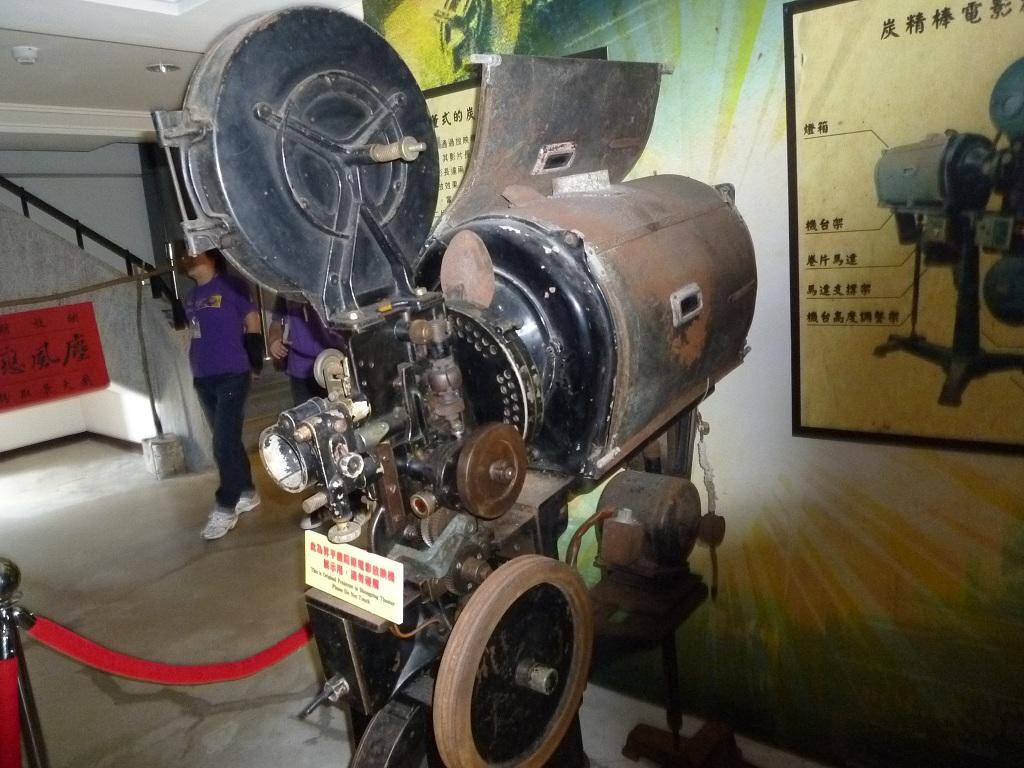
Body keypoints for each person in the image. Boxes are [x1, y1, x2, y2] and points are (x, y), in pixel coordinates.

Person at [183, 250, 263, 540]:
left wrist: (255, 359)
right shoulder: (190, 297)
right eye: (186, 254)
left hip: (232, 373)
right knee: (228, 440)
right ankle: (247, 491)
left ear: (212, 257)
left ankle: (226, 506)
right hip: (203, 376)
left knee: (222, 443)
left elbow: (252, 321)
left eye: (196, 252)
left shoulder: (231, 286)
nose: (190, 257)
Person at [267, 296, 344, 529]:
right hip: (301, 370)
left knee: (342, 433)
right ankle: (323, 505)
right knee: (309, 439)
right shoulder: (286, 290)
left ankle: (351, 499)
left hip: (335, 365)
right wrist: (274, 340)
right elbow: (276, 323)